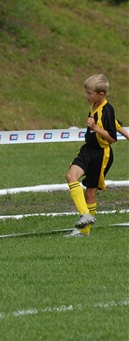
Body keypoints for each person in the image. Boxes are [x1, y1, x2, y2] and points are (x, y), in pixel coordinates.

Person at [65, 74, 117, 237]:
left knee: (90, 193)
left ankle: (84, 231)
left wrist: (95, 128)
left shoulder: (107, 109)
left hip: (101, 154)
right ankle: (84, 214)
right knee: (71, 176)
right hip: (87, 149)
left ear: (101, 94)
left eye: (89, 93)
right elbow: (117, 123)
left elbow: (112, 137)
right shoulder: (94, 105)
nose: (86, 96)